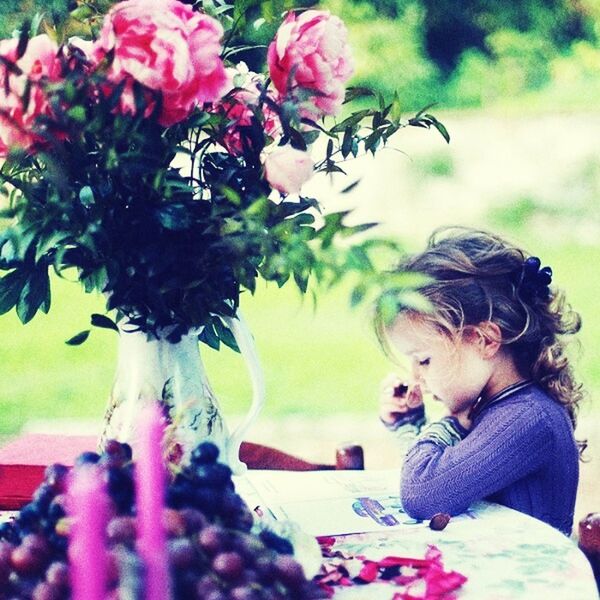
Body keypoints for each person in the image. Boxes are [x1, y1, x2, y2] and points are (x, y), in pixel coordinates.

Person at [376, 226, 584, 536]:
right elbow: (447, 479)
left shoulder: (527, 419)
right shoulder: (500, 406)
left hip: (530, 582)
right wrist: (412, 428)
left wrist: (447, 423)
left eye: (424, 360)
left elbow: (422, 494)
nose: (416, 376)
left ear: (484, 339)